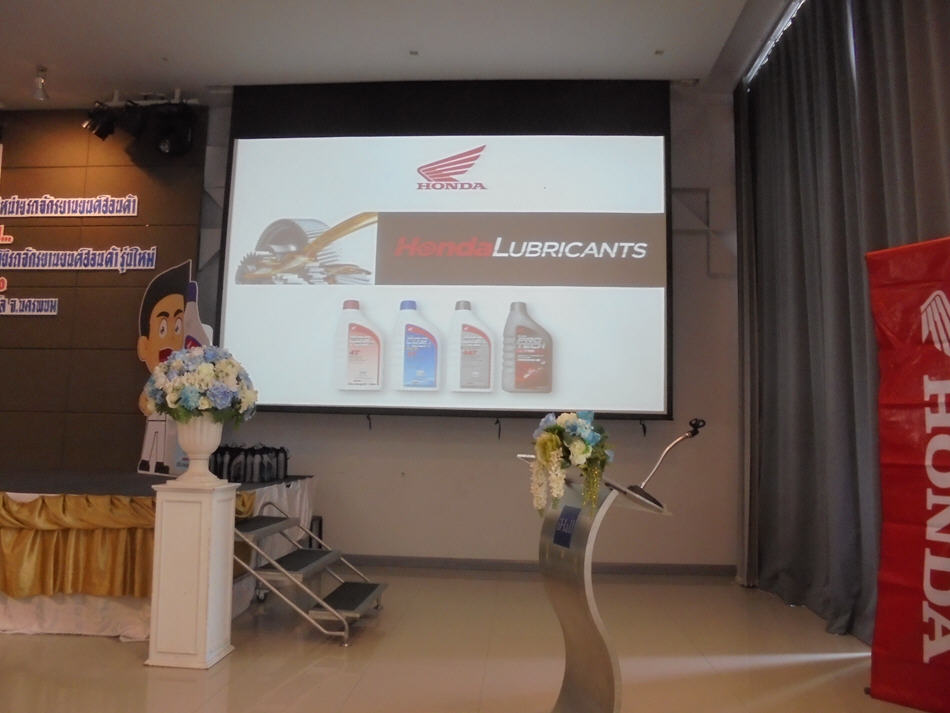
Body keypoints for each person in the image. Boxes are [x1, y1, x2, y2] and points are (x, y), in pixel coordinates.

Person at [136, 262, 191, 474]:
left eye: (177, 327)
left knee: (164, 439)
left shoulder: (181, 374)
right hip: (155, 413)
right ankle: (147, 461)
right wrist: (147, 404)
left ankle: (160, 461)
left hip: (171, 418)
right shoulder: (157, 376)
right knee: (153, 434)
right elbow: (146, 395)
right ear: (144, 346)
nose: (171, 338)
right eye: (162, 329)